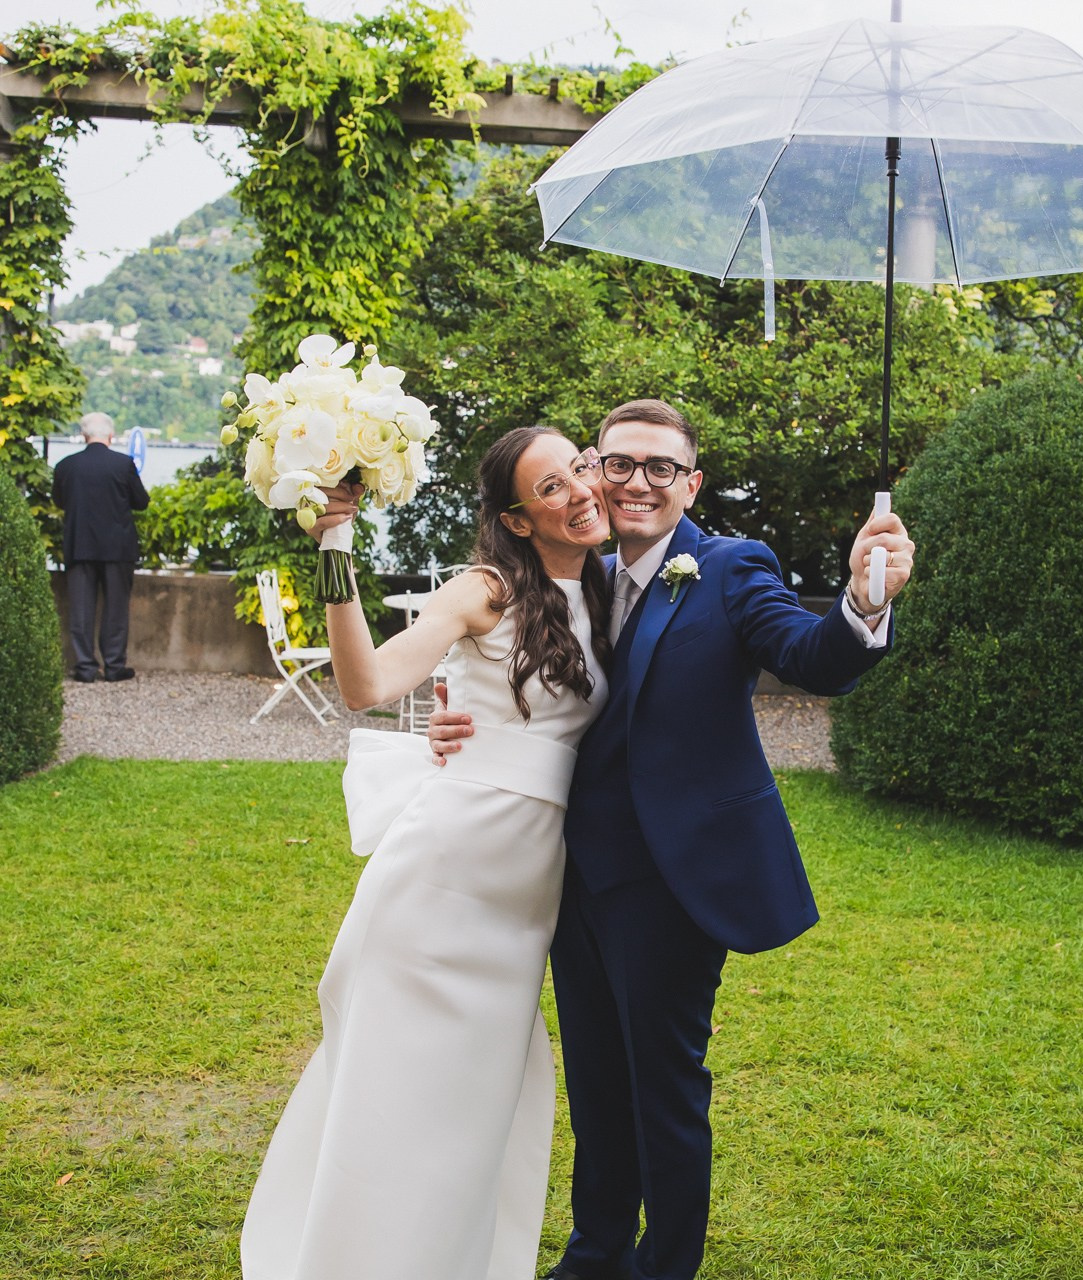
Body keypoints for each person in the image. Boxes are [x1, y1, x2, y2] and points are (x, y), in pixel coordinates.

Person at [429, 399, 915, 1280]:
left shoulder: (729, 569)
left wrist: (863, 602)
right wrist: (456, 724)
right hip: (573, 876)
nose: (637, 483)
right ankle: (596, 1252)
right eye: (618, 464)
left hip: (674, 882)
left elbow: (808, 656)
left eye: (660, 468)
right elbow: (528, 692)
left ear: (690, 483)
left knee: (664, 1093)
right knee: (599, 1091)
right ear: (593, 472)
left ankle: (666, 1266)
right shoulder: (579, 577)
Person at [241, 428, 613, 1280]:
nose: (582, 492)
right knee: (398, 1087)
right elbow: (366, 687)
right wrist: (337, 547)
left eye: (581, 469)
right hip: (446, 874)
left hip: (528, 895)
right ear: (518, 521)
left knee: (476, 1103)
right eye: (552, 488)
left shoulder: (611, 587)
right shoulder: (485, 588)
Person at [52, 411, 150, 682]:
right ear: (110, 434)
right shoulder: (123, 464)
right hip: (117, 548)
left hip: (79, 545)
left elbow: (59, 501)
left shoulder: (65, 466)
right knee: (116, 609)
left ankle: (85, 667)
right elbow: (141, 501)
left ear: (84, 435)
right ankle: (114, 665)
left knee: (81, 610)